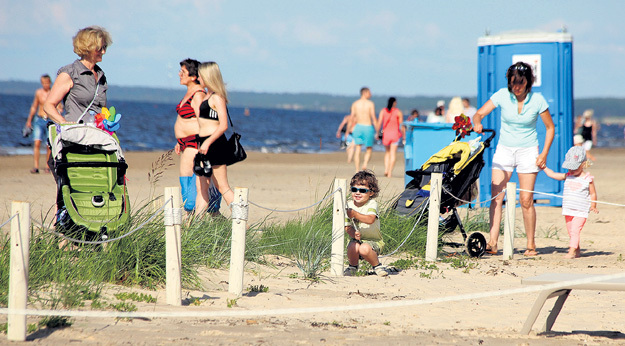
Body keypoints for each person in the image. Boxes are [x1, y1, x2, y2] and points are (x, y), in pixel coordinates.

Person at [473, 61, 555, 257]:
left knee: (526, 199)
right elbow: (479, 114)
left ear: (528, 81)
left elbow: (550, 128)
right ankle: (492, 242)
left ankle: (531, 244)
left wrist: (543, 154)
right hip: (504, 149)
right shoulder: (502, 95)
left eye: (520, 82)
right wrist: (477, 122)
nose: (516, 87)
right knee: (497, 197)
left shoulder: (537, 100)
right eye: (513, 83)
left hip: (528, 150)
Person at [43, 26, 112, 183]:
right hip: (73, 142)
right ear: (87, 47)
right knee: (68, 193)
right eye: (100, 48)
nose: (104, 52)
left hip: (95, 142)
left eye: (105, 47)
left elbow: (101, 109)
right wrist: (64, 124)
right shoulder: (70, 73)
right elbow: (48, 106)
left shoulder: (101, 76)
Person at [174, 58, 222, 214]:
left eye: (183, 72)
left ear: (193, 76)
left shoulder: (198, 95)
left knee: (193, 187)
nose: (179, 74)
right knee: (187, 184)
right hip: (186, 144)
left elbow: (203, 121)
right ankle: (195, 220)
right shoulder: (190, 93)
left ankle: (193, 222)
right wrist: (180, 141)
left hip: (195, 144)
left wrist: (203, 144)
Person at [541, 146, 598, 259]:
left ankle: (571, 251)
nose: (571, 170)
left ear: (583, 164)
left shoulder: (587, 178)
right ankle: (577, 250)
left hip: (581, 210)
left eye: (574, 168)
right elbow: (553, 175)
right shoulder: (567, 176)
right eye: (569, 168)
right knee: (571, 231)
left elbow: (593, 193)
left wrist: (593, 205)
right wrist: (544, 168)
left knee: (575, 230)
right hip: (568, 209)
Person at [195, 61, 235, 211]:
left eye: (200, 76)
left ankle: (242, 221)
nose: (199, 79)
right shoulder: (206, 96)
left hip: (215, 144)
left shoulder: (217, 97)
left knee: (222, 186)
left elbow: (223, 125)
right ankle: (195, 225)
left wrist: (207, 143)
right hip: (203, 143)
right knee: (201, 188)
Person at [343, 170, 388, 277]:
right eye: (354, 189)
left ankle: (377, 266)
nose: (358, 193)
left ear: (371, 193)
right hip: (356, 240)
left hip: (374, 241)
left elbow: (370, 219)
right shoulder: (349, 205)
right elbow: (347, 226)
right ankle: (353, 266)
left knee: (364, 248)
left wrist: (354, 214)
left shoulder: (372, 204)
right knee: (353, 246)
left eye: (362, 190)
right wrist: (353, 233)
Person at [25, 74, 61, 174]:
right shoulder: (39, 93)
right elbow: (34, 107)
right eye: (43, 83)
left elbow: (59, 106)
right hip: (39, 119)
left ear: (50, 82)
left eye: (47, 83)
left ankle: (47, 166)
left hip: (49, 120)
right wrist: (29, 120)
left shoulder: (54, 93)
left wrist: (59, 110)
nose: (45, 85)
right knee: (37, 142)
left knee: (48, 145)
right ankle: (36, 166)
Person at [347, 87, 377, 171]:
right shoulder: (370, 104)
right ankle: (365, 163)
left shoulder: (355, 104)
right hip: (368, 126)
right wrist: (378, 131)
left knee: (358, 148)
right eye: (369, 92)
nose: (371, 94)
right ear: (365, 92)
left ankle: (357, 169)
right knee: (369, 148)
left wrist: (347, 131)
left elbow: (351, 118)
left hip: (358, 127)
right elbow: (374, 118)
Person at [377, 97, 404, 178]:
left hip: (386, 135)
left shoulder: (383, 111)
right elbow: (401, 126)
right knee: (393, 154)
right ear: (394, 103)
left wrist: (377, 132)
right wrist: (404, 136)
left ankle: (386, 169)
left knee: (387, 153)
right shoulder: (398, 112)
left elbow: (379, 123)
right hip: (395, 134)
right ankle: (389, 172)